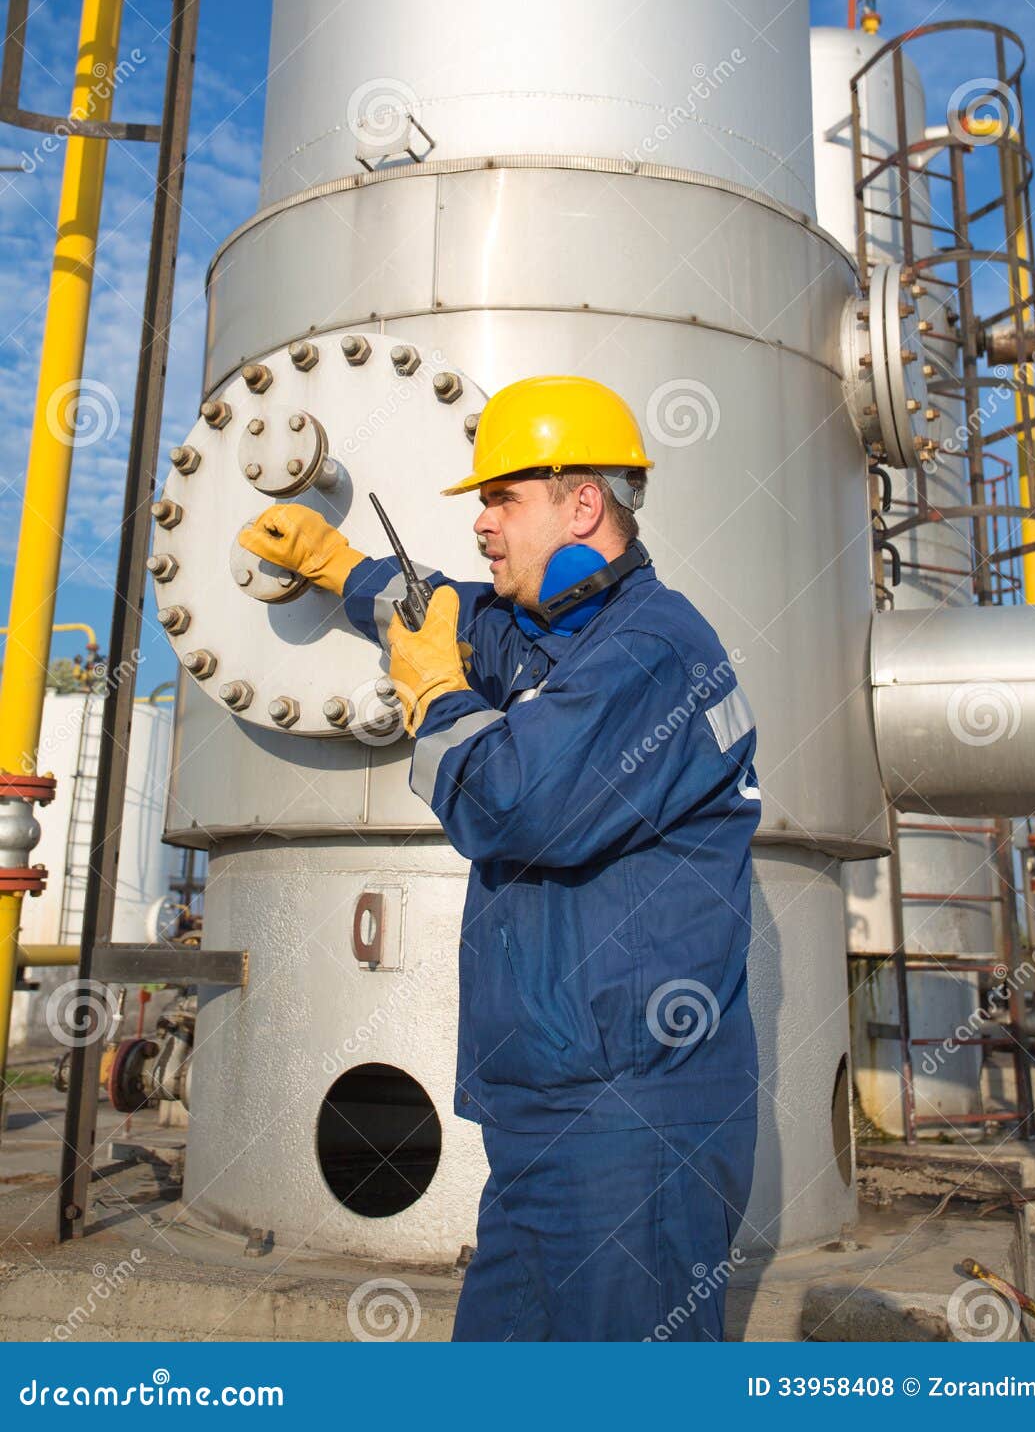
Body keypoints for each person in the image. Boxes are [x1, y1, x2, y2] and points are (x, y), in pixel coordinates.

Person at [240, 373, 761, 1342]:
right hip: (545, 1122)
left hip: (628, 1128)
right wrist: (337, 562)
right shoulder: (552, 635)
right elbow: (441, 610)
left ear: (581, 502)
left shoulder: (651, 650)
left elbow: (514, 803)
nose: (481, 523)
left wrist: (437, 697)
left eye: (499, 498)